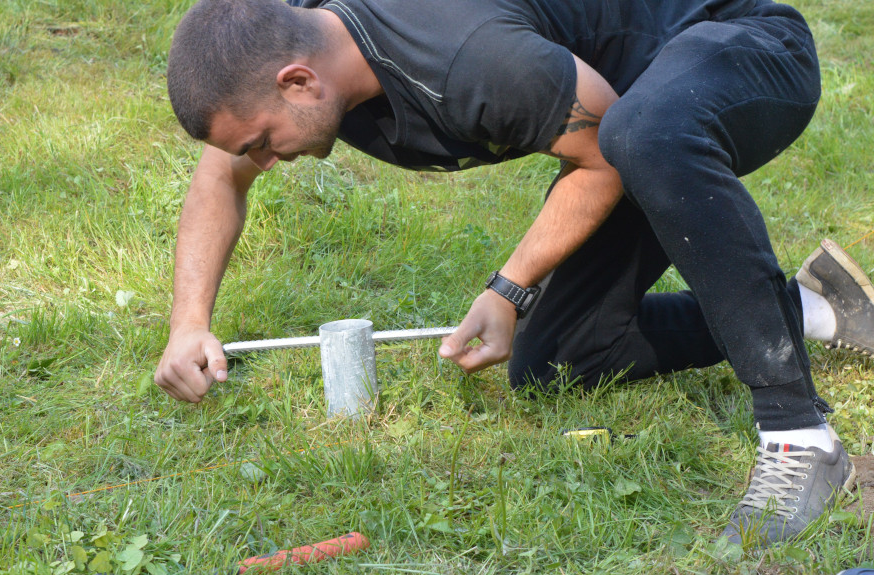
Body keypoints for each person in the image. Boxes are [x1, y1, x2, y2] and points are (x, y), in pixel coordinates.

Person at [155, 0, 874, 546]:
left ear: (299, 81)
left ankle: (799, 436)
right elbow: (221, 176)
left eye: (262, 142)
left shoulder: (469, 62)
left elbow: (600, 153)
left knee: (642, 132)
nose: (265, 160)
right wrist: (188, 323)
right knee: (559, 359)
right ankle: (815, 309)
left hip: (740, 44)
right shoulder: (289, 38)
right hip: (630, 106)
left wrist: (508, 287)